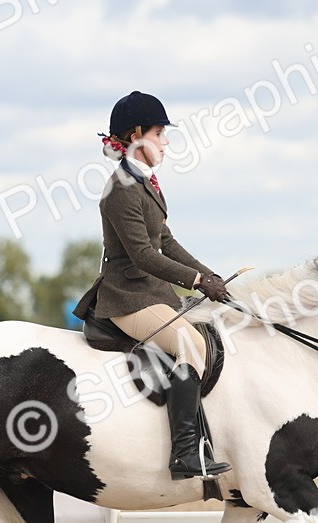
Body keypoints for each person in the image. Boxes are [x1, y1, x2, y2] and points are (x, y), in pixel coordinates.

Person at [80, 91, 231, 481]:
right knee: (190, 344)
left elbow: (168, 243)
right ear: (136, 135)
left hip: (153, 293)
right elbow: (145, 255)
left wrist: (210, 276)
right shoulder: (120, 189)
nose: (166, 141)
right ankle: (184, 452)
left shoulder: (145, 183)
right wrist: (195, 281)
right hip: (127, 298)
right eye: (160, 132)